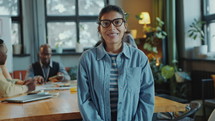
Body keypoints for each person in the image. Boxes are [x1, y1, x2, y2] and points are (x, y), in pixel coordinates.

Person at [77, 5, 154, 121]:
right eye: (106, 23)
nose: (112, 27)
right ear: (99, 29)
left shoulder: (139, 58)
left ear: (125, 26)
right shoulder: (87, 59)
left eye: (117, 22)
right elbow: (84, 100)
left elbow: (147, 98)